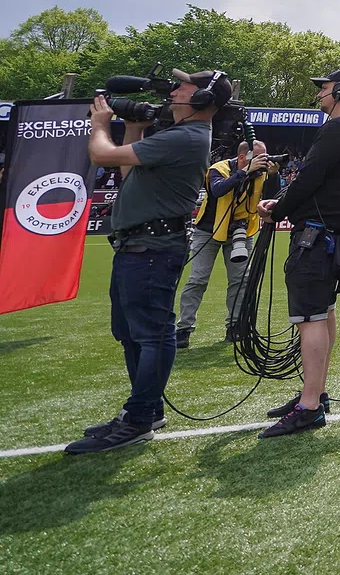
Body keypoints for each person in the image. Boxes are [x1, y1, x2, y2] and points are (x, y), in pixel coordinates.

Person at [66, 69, 229, 455]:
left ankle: (139, 417)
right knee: (130, 331)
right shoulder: (179, 136)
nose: (172, 91)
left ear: (203, 100)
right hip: (140, 247)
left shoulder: (186, 137)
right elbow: (127, 171)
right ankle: (147, 409)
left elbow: (100, 154)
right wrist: (134, 129)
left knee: (152, 333)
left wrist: (101, 123)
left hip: (153, 250)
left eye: (182, 87)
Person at [255, 67, 340, 439]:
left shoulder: (339, 127)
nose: (318, 95)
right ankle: (315, 392)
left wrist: (278, 209)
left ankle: (309, 406)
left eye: (322, 89)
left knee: (310, 318)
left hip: (316, 237)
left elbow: (309, 177)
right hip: (331, 232)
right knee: (324, 312)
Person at [177, 139, 282, 348]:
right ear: (243, 157)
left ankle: (235, 326)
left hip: (241, 231)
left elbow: (272, 198)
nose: (264, 161)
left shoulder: (260, 174)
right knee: (197, 279)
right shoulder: (219, 168)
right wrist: (243, 173)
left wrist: (273, 175)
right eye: (259, 157)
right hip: (209, 231)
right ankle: (183, 329)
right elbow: (218, 190)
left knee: (240, 280)